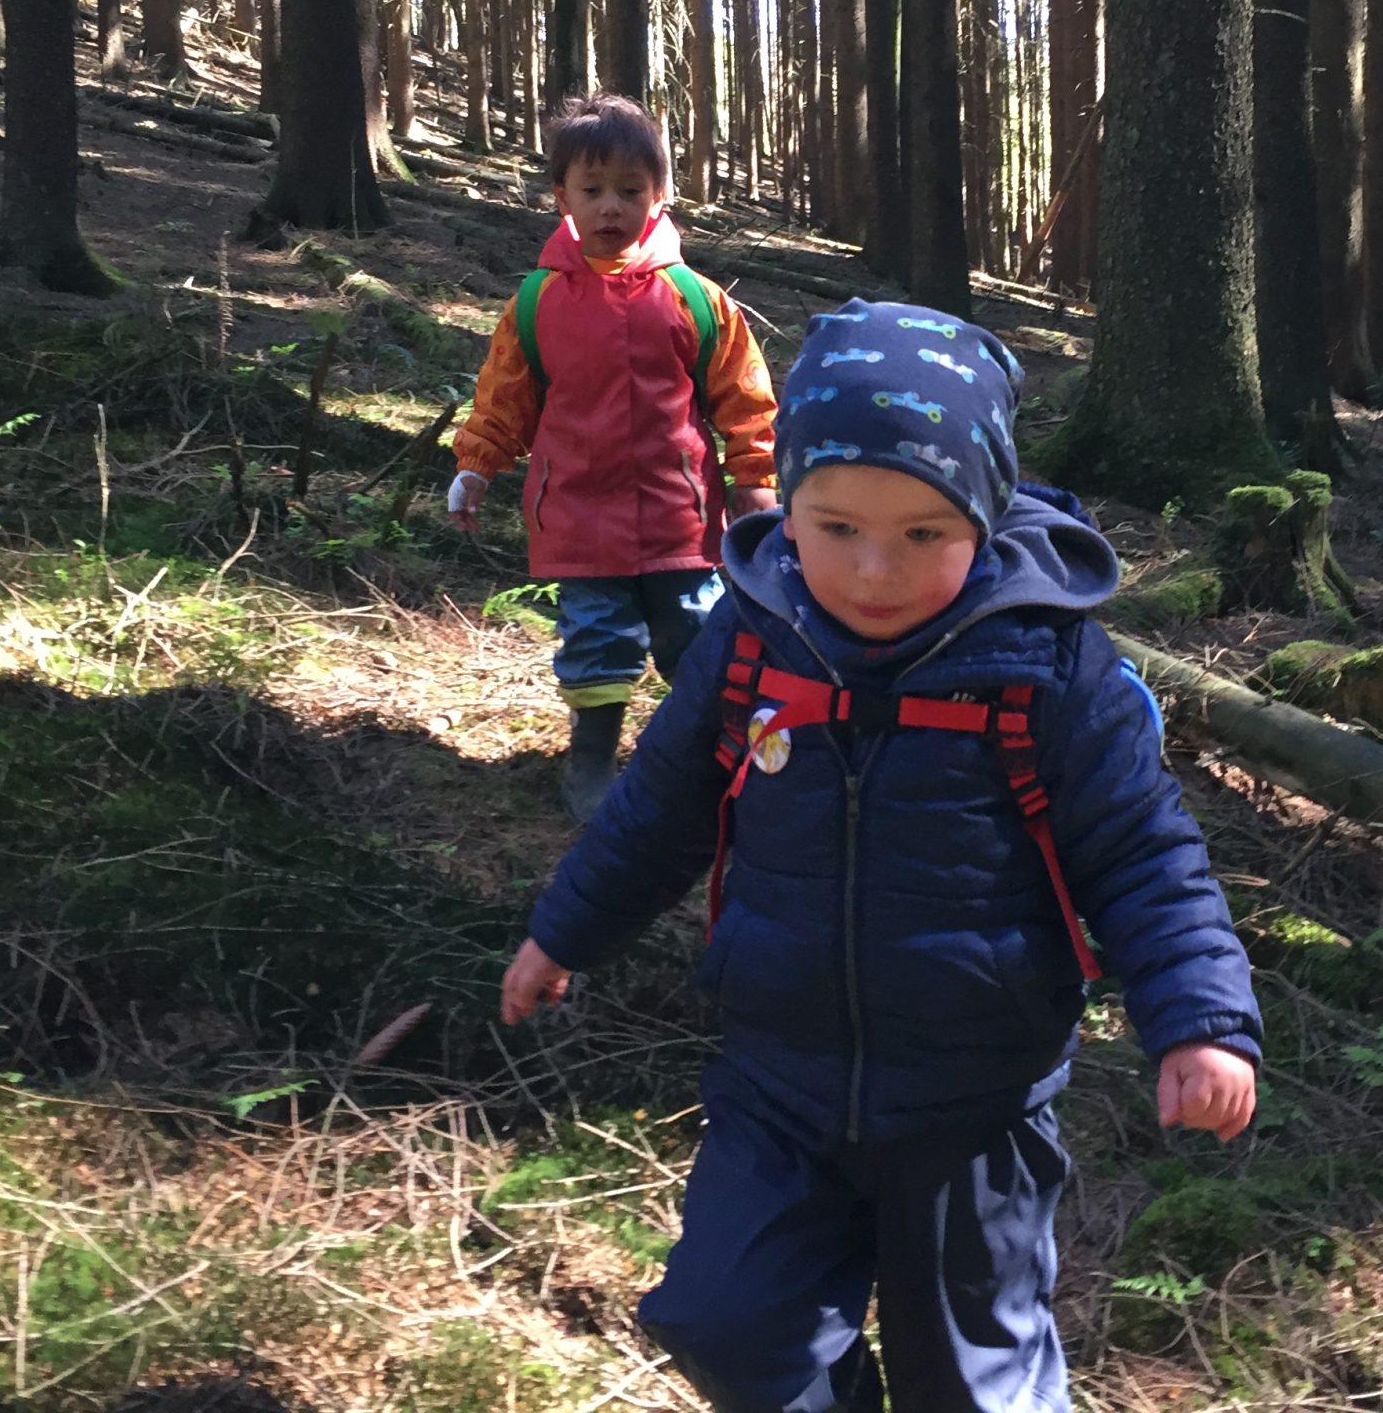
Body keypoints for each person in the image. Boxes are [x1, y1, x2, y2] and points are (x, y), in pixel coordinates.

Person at [501, 299, 1262, 1413]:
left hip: (973, 1101)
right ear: (786, 505)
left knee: (975, 1384)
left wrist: (1200, 1021)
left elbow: (1145, 855)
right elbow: (658, 807)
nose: (871, 571)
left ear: (985, 518)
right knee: (724, 1322)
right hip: (777, 1082)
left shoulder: (1045, 664)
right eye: (836, 526)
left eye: (922, 535)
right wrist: (564, 932)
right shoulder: (753, 639)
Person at [449, 96, 778, 820]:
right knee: (596, 638)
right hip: (577, 512)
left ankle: (711, 757)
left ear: (659, 196)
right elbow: (505, 396)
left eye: (630, 190)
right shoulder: (537, 302)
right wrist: (476, 465)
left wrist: (754, 477)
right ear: (560, 196)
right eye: (592, 189)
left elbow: (745, 397)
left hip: (679, 517)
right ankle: (592, 759)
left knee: (697, 635)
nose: (610, 207)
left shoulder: (695, 298)